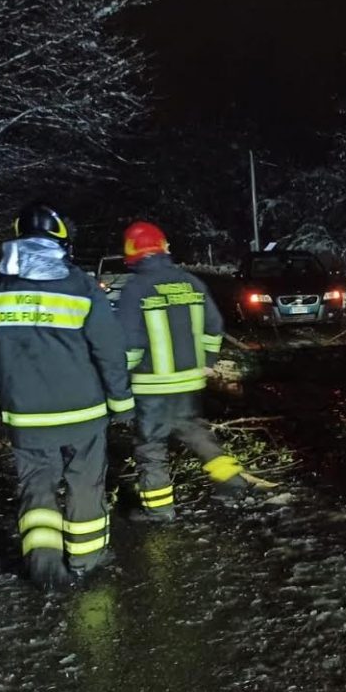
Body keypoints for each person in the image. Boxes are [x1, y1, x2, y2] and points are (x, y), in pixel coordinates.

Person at [0, 202, 134, 589]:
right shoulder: (80, 286)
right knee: (84, 483)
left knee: (36, 484)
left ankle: (43, 564)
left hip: (25, 416)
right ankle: (86, 560)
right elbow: (108, 348)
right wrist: (121, 402)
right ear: (61, 241)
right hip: (83, 412)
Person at [115, 221, 248, 520]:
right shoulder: (190, 282)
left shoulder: (135, 288)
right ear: (163, 247)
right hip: (188, 380)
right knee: (191, 429)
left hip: (151, 385)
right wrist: (208, 361)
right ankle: (231, 479)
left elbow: (129, 343)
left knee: (151, 446)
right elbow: (214, 327)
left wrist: (120, 381)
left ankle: (160, 510)